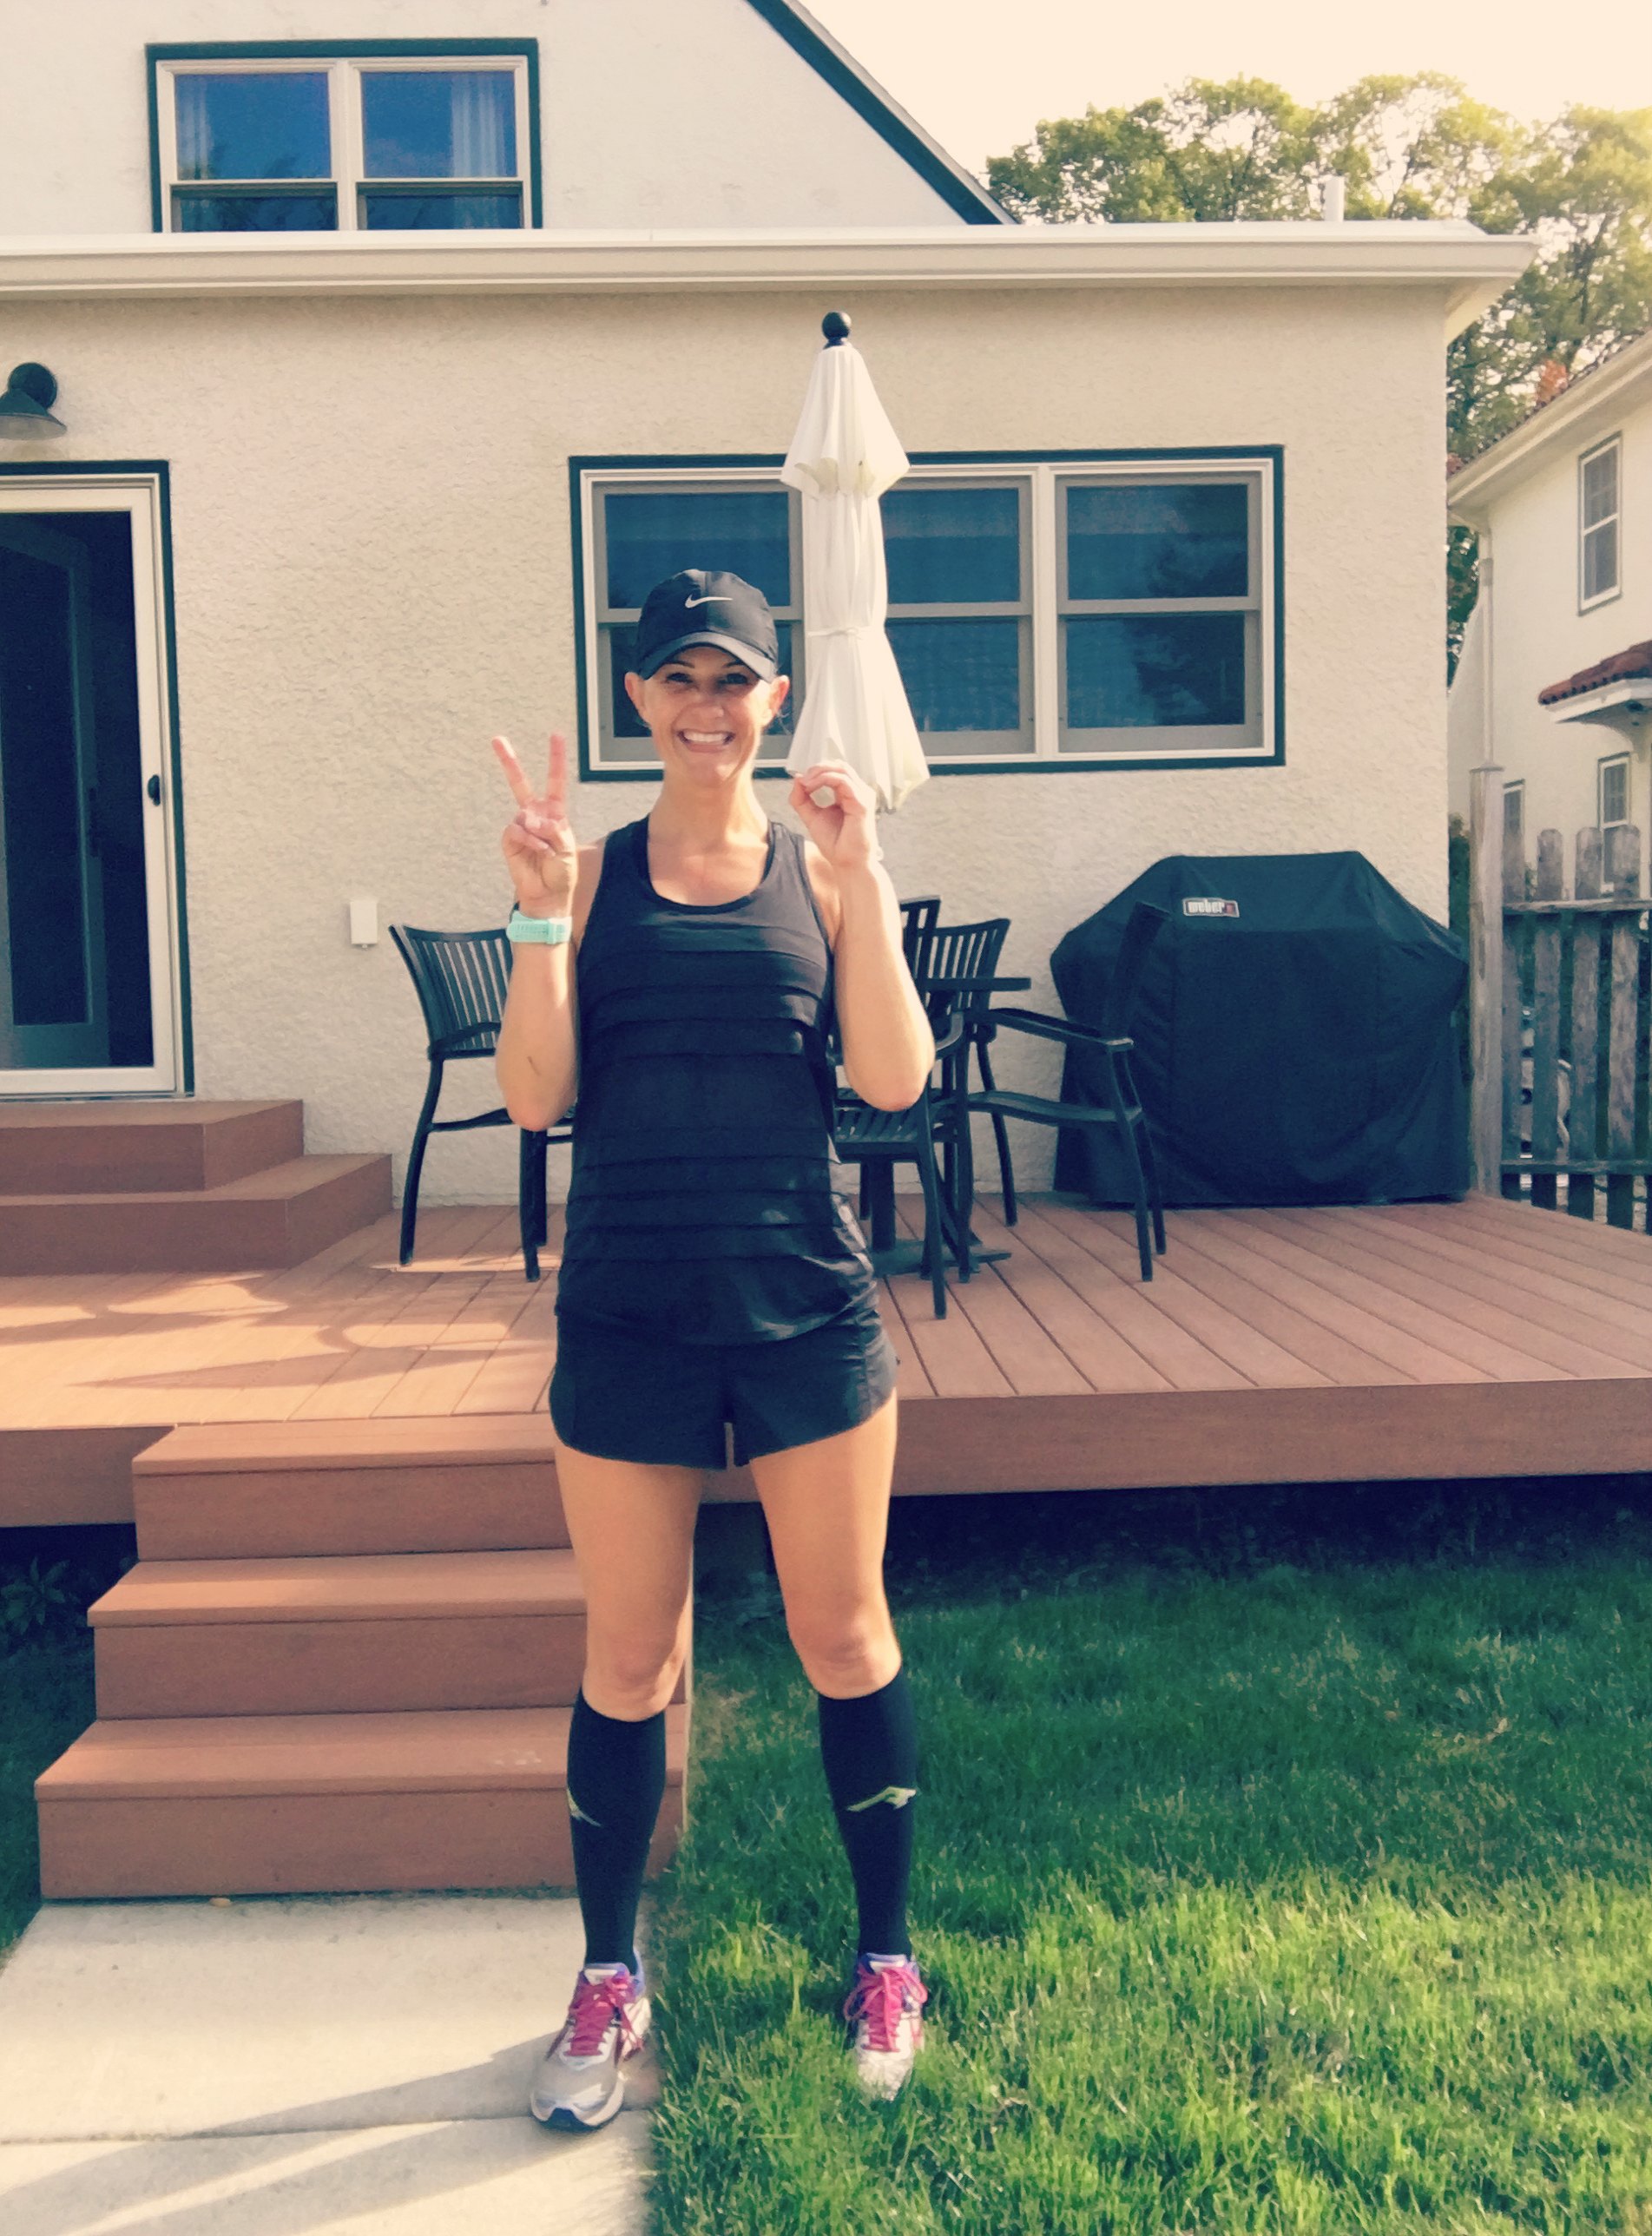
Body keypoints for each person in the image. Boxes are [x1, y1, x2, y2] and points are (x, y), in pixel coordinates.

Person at [491, 569, 938, 2132]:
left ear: (773, 699)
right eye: (677, 679)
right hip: (629, 1313)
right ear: (640, 699)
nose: (706, 706)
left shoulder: (821, 872)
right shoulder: (586, 877)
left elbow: (895, 1079)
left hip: (806, 1309)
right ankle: (610, 1973)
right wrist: (535, 912)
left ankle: (886, 1956)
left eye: (732, 680)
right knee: (630, 1660)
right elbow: (533, 1096)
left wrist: (865, 875)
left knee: (845, 1639)